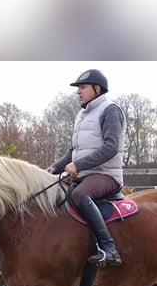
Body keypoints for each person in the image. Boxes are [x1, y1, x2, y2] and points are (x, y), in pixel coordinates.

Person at [46, 69, 127, 266]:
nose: (78, 92)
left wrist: (79, 165)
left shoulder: (110, 110)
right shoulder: (82, 115)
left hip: (106, 175)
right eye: (78, 88)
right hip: (86, 175)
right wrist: (55, 167)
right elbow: (75, 150)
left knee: (79, 194)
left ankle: (109, 248)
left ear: (97, 89)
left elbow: (110, 148)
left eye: (82, 87)